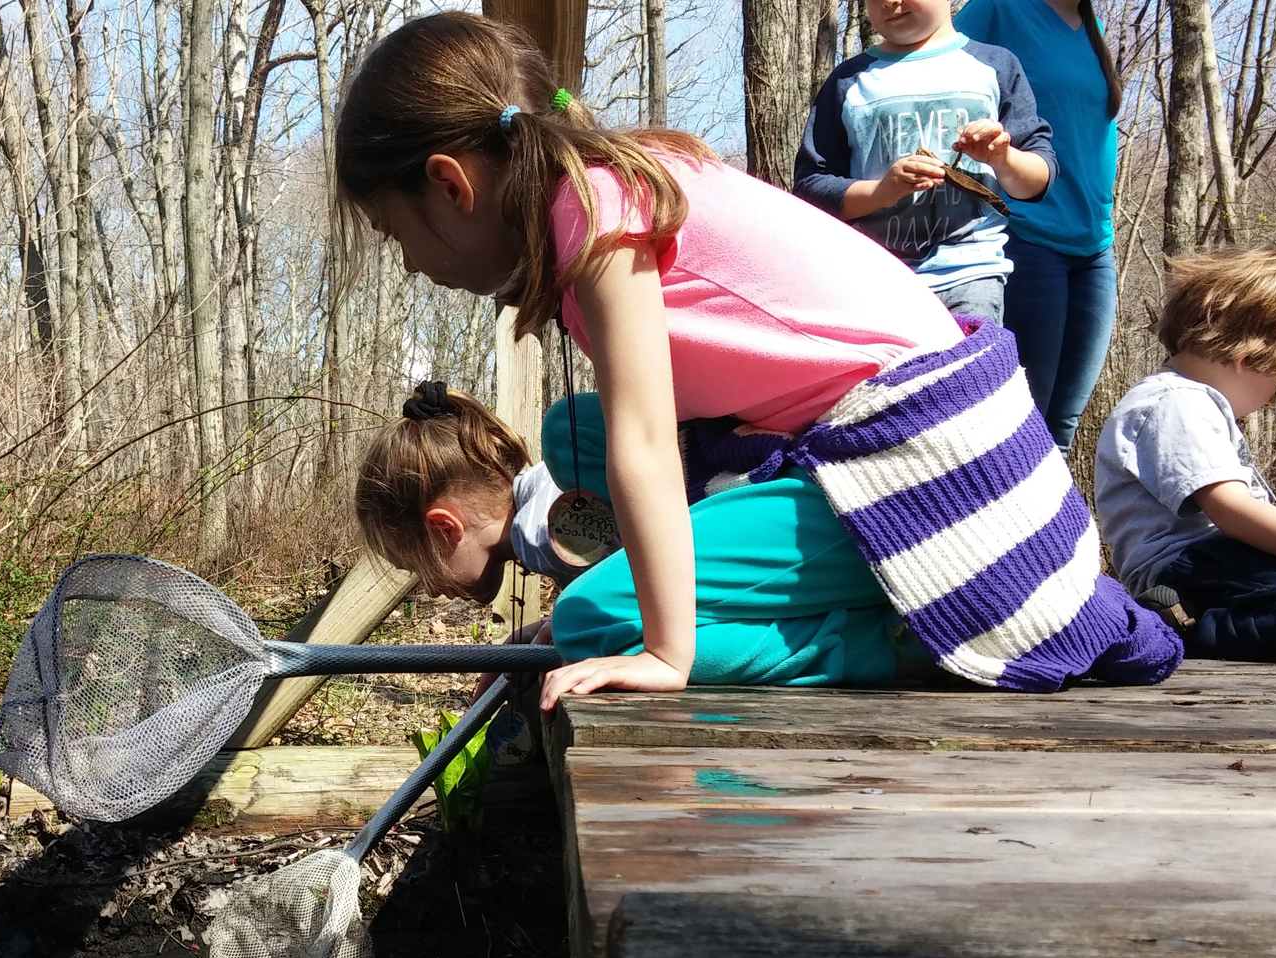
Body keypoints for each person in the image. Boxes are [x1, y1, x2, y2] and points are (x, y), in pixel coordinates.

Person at [337, 12, 1180, 704]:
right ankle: (725, 584)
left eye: (394, 232)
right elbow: (635, 432)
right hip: (864, 435)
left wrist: (666, 651)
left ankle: (895, 634)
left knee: (597, 616)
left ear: (452, 184)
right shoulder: (602, 185)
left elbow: (646, 444)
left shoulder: (592, 211)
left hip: (931, 468)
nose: (408, 259)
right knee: (570, 435)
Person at [357, 384, 911, 688]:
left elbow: (611, 596)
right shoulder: (556, 490)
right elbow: (636, 568)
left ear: (445, 527)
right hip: (807, 531)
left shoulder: (550, 510)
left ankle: (868, 647)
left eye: (419, 567)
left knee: (584, 622)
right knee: (578, 621)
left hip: (842, 528)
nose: (429, 590)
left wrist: (567, 630)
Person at [1093, 247, 1276, 663]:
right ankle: (1179, 628)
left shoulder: (1187, 400)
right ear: (1247, 358)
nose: (1271, 402)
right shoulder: (1174, 400)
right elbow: (1230, 510)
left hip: (1218, 563)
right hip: (1189, 567)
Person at [794, 0, 1056, 321]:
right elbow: (811, 189)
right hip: (875, 282)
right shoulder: (849, 81)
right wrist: (881, 192)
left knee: (968, 372)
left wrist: (1003, 158)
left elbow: (1037, 181)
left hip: (972, 272)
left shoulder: (995, 66)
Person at [955, 0, 1122, 451]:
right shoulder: (998, 9)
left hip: (1094, 246)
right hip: (1027, 235)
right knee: (1022, 420)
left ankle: (1050, 522)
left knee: (1062, 427)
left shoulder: (1093, 27)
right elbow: (940, 73)